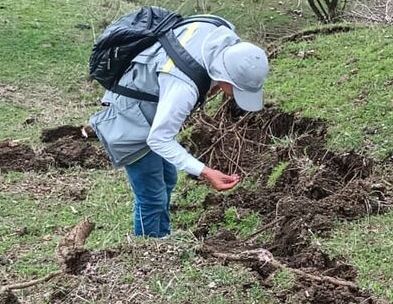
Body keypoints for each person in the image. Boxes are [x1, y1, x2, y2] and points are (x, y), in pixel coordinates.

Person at [87, 16, 269, 238]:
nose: (235, 97)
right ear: (226, 77)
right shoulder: (183, 87)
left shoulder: (221, 33)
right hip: (128, 120)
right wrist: (206, 172)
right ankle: (148, 251)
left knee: (168, 180)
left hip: (150, 106)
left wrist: (209, 86)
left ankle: (162, 237)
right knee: (152, 196)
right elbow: (159, 139)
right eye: (237, 90)